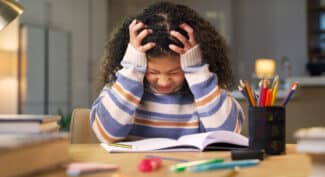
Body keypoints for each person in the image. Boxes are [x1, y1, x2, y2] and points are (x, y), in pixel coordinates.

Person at [90, 1, 245, 143]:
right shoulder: (122, 85)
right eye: (153, 72)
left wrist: (196, 70)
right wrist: (133, 67)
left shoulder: (207, 91)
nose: (163, 81)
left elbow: (228, 135)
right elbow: (107, 134)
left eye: (174, 72)